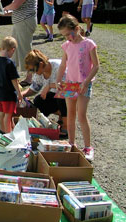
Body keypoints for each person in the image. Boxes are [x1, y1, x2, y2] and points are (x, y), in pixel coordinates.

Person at [56, 14, 100, 161]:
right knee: (70, 115)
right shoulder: (67, 46)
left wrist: (86, 82)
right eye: (64, 35)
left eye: (69, 34)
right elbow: (63, 65)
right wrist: (58, 80)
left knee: (81, 115)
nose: (68, 37)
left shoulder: (88, 44)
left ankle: (88, 147)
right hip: (70, 84)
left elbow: (96, 65)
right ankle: (71, 143)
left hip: (83, 84)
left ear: (77, 28)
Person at [2, 0, 38, 85]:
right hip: (20, 23)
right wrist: (3, 12)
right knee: (15, 49)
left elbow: (15, 5)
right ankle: (13, 74)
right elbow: (18, 9)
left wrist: (4, 8)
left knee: (25, 50)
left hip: (25, 23)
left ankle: (29, 78)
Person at [21, 49, 67, 135]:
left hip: (68, 95)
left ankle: (66, 126)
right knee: (38, 101)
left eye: (33, 70)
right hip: (54, 95)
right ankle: (61, 115)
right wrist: (21, 95)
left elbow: (66, 86)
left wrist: (49, 86)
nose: (33, 73)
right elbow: (34, 88)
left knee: (60, 97)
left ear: (41, 64)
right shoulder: (39, 73)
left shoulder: (58, 66)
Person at [0, 36, 23, 133]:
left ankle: (1, 131)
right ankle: (8, 134)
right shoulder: (10, 63)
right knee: (8, 114)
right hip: (9, 94)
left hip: (0, 92)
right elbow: (14, 80)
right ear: (12, 50)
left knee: (1, 113)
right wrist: (19, 93)